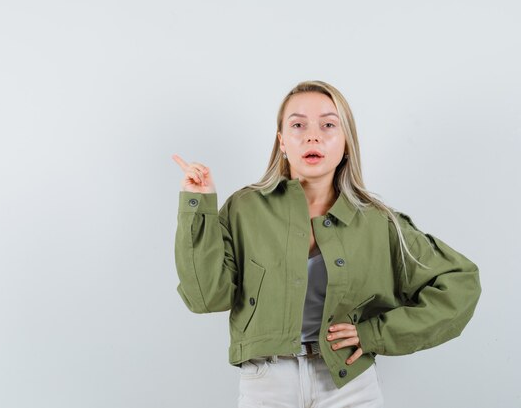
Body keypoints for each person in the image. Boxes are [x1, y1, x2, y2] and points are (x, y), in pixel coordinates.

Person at [172, 80, 481, 408]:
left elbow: (459, 283)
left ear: (346, 141)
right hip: (266, 381)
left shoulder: (378, 222)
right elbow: (205, 297)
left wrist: (374, 335)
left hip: (349, 384)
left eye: (329, 125)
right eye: (298, 125)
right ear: (282, 142)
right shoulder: (245, 209)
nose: (312, 136)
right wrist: (198, 204)